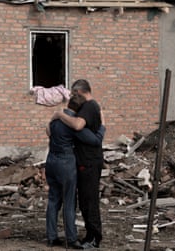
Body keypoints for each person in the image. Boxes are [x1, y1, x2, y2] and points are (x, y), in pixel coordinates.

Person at [45, 93, 106, 249]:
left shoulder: (55, 121)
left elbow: (48, 132)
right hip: (65, 164)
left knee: (53, 200)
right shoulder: (72, 125)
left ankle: (51, 236)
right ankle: (71, 238)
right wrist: (102, 127)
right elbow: (95, 140)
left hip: (51, 161)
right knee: (69, 202)